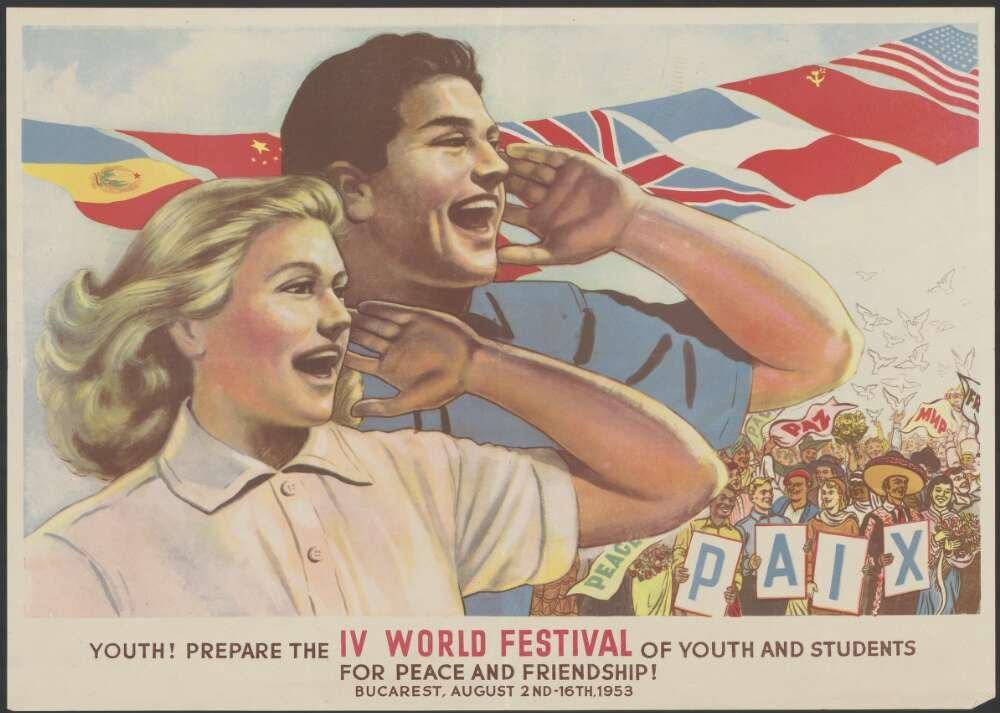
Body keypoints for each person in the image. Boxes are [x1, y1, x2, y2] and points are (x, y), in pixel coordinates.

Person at [280, 32, 862, 616]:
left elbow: (813, 357)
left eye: (492, 142)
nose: (495, 166)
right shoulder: (262, 348)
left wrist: (636, 223)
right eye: (452, 142)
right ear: (353, 189)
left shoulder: (545, 325)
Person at [24, 177, 729, 617]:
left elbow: (678, 481)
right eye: (298, 288)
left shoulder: (425, 477)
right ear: (188, 326)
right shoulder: (79, 559)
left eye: (338, 288)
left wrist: (484, 366)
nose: (338, 316)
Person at [859, 452, 926, 616]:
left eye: (904, 482)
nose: (901, 486)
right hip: (882, 587)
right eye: (896, 482)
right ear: (886, 487)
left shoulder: (916, 516)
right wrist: (877, 560)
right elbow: (860, 551)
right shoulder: (873, 518)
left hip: (911, 586)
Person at [671, 486, 743, 616]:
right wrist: (677, 568)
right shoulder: (692, 526)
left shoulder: (736, 535)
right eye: (723, 498)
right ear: (711, 501)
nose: (727, 503)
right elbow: (679, 551)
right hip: (689, 602)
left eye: (731, 500)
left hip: (718, 605)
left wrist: (735, 588)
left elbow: (737, 570)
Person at [916, 477, 976, 615]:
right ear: (930, 492)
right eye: (938, 490)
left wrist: (950, 551)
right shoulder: (920, 517)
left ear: (951, 495)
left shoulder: (956, 518)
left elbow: (963, 553)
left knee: (948, 606)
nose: (942, 495)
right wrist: (936, 539)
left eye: (947, 492)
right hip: (927, 574)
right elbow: (916, 551)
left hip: (950, 575)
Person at [805, 477, 861, 615]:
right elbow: (808, 555)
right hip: (820, 586)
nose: (826, 496)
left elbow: (856, 556)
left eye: (831, 492)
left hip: (844, 588)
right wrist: (809, 580)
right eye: (824, 493)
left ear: (840, 495)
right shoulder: (814, 523)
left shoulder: (850, 523)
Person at [735, 478, 791, 615]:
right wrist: (749, 564)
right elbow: (735, 563)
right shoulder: (742, 527)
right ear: (752, 497)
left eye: (771, 492)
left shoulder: (785, 522)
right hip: (752, 588)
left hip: (779, 586)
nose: (769, 495)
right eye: (763, 492)